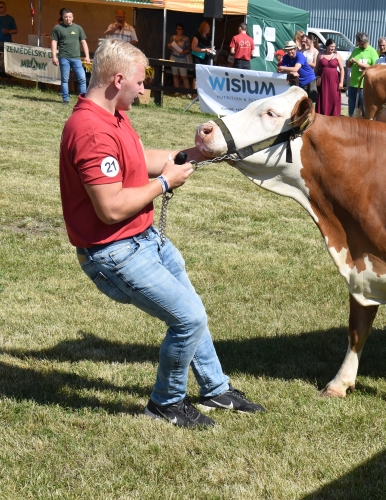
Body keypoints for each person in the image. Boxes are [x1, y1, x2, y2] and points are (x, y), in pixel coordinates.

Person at [59, 39, 265, 428]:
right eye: (140, 81)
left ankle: (215, 389)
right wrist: (166, 184)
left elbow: (143, 160)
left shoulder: (112, 117)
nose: (144, 89)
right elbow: (111, 207)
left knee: (194, 312)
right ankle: (165, 404)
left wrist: (197, 152)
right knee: (188, 318)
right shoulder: (90, 130)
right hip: (114, 252)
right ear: (118, 79)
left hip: (144, 240)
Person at [51, 8, 90, 105]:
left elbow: (83, 42)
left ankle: (82, 100)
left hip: (76, 58)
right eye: (66, 17)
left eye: (70, 17)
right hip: (63, 57)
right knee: (65, 79)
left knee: (82, 79)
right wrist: (54, 56)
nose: (68, 19)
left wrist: (87, 56)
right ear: (62, 17)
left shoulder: (78, 28)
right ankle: (65, 99)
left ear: (73, 17)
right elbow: (54, 42)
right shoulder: (58, 28)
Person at [346, 32, 378, 118]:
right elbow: (348, 65)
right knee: (352, 111)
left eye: (362, 44)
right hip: (353, 85)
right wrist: (350, 62)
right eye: (359, 44)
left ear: (367, 42)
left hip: (365, 86)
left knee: (365, 110)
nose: (360, 46)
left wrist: (359, 63)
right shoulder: (356, 50)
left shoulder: (372, 51)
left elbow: (375, 67)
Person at [315, 38, 343, 116]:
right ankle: (322, 115)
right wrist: (314, 78)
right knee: (323, 97)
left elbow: (342, 69)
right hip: (323, 81)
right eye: (331, 46)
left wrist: (341, 82)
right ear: (326, 46)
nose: (333, 48)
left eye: (334, 46)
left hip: (334, 80)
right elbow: (316, 68)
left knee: (334, 97)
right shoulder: (320, 54)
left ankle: (333, 115)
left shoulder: (337, 55)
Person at [166, 24, 191, 95]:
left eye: (181, 29)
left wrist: (183, 52)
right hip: (174, 57)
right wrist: (170, 45)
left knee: (184, 76)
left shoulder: (186, 38)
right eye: (179, 29)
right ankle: (177, 91)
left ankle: (188, 92)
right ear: (176, 29)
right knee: (175, 75)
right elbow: (169, 46)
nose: (180, 30)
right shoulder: (173, 37)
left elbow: (189, 49)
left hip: (182, 58)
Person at [191, 22, 216, 91]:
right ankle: (194, 94)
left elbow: (211, 46)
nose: (209, 28)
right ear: (204, 28)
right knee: (196, 75)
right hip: (198, 58)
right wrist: (205, 50)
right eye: (208, 27)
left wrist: (212, 50)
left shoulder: (209, 38)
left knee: (205, 75)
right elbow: (193, 48)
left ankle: (203, 92)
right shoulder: (196, 37)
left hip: (206, 58)